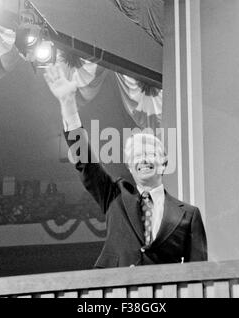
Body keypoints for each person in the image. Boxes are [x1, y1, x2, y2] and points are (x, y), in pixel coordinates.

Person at [44, 64, 207, 268]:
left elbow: (199, 273)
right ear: (129, 167)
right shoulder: (115, 196)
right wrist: (68, 104)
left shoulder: (189, 215)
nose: (143, 159)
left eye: (149, 153)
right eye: (137, 155)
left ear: (164, 162)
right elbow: (85, 162)